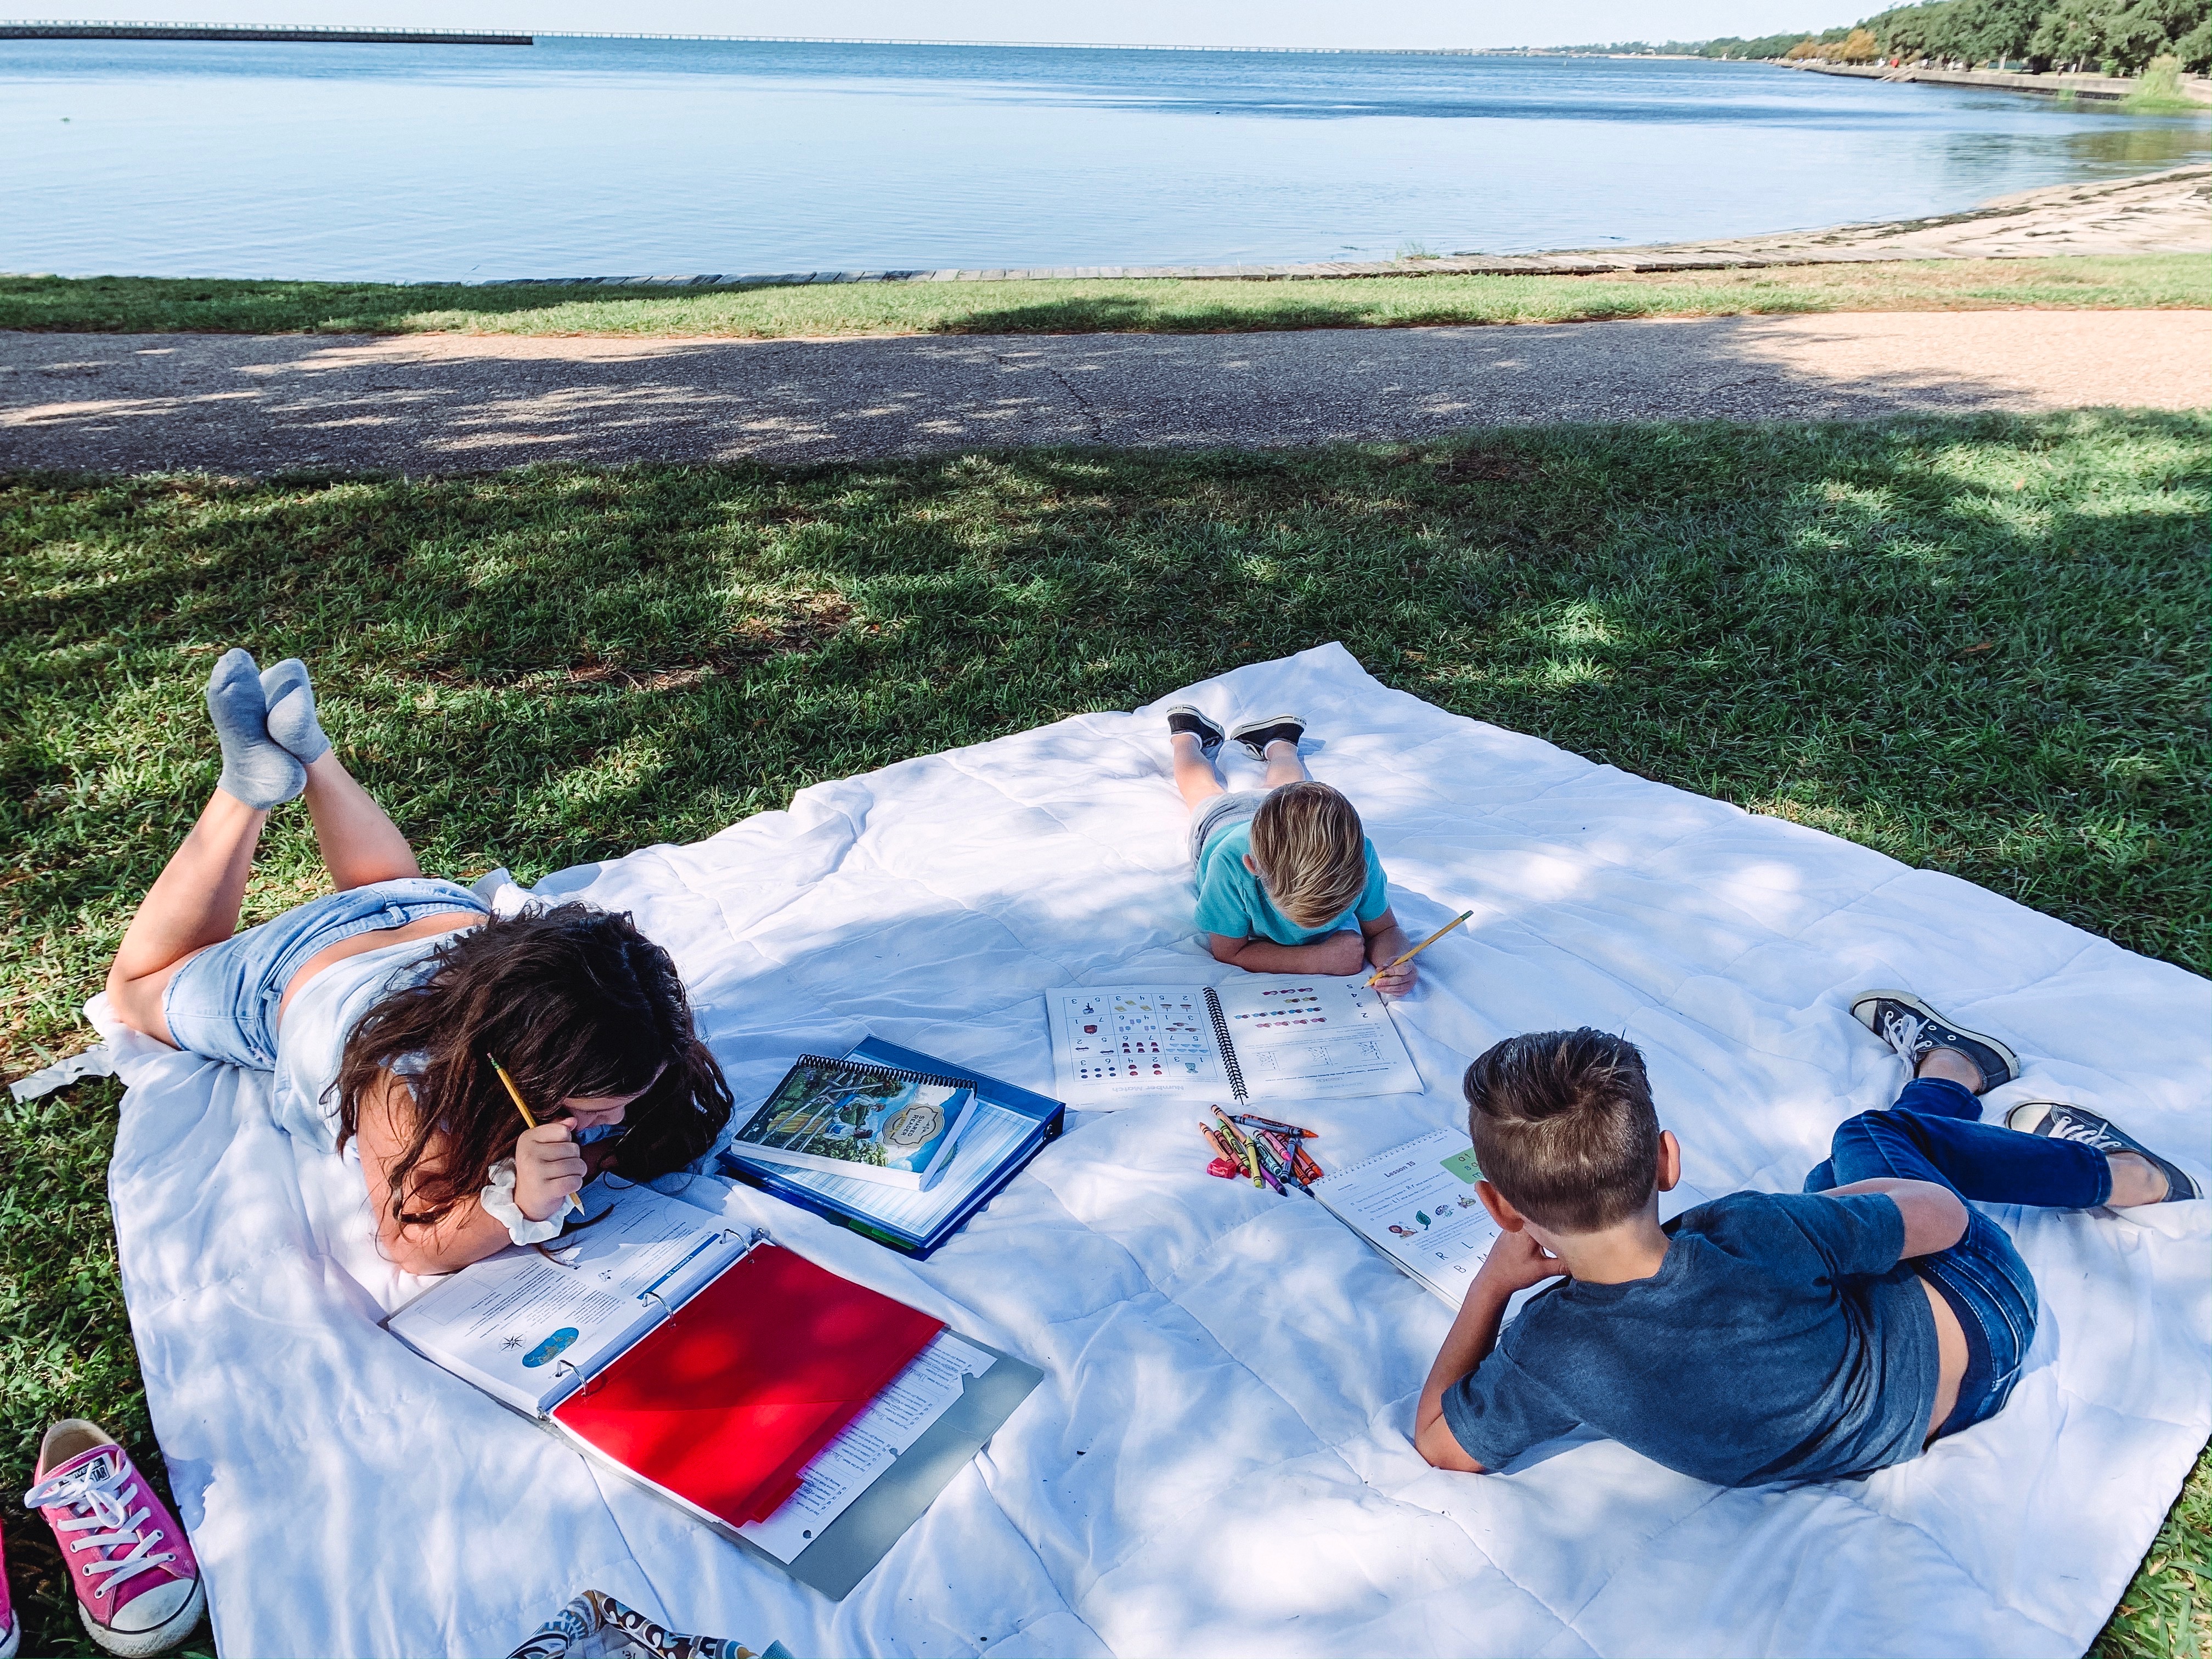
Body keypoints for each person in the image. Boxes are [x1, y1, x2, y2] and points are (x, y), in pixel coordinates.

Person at [105, 650, 733, 1275]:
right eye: (590, 1106)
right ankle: (245, 791)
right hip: (300, 964)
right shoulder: (404, 1082)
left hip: (426, 909)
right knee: (132, 992)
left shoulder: (626, 1026)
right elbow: (410, 1243)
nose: (614, 1120)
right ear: (512, 1064)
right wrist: (518, 1204)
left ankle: (315, 756)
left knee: (383, 884)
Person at [1413, 996, 2197, 1486]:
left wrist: (1491, 1287)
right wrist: (1834, 1207)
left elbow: (1441, 1442)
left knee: (1838, 1177)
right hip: (1984, 1315)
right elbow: (1945, 1219)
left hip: (1885, 1427)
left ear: (1499, 1208)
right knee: (1871, 1137)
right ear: (1667, 1160)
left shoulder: (1549, 1347)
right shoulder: (1752, 1231)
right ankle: (2110, 1165)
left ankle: (1953, 1073)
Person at [1164, 706, 1415, 994]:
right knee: (1202, 791)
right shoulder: (1230, 864)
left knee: (1290, 788)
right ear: (1254, 867)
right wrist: (1317, 959)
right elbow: (1229, 952)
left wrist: (1395, 961)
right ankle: (1186, 736)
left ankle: (1280, 741)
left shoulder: (1357, 856)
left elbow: (1385, 930)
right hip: (1223, 824)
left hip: (1284, 819)